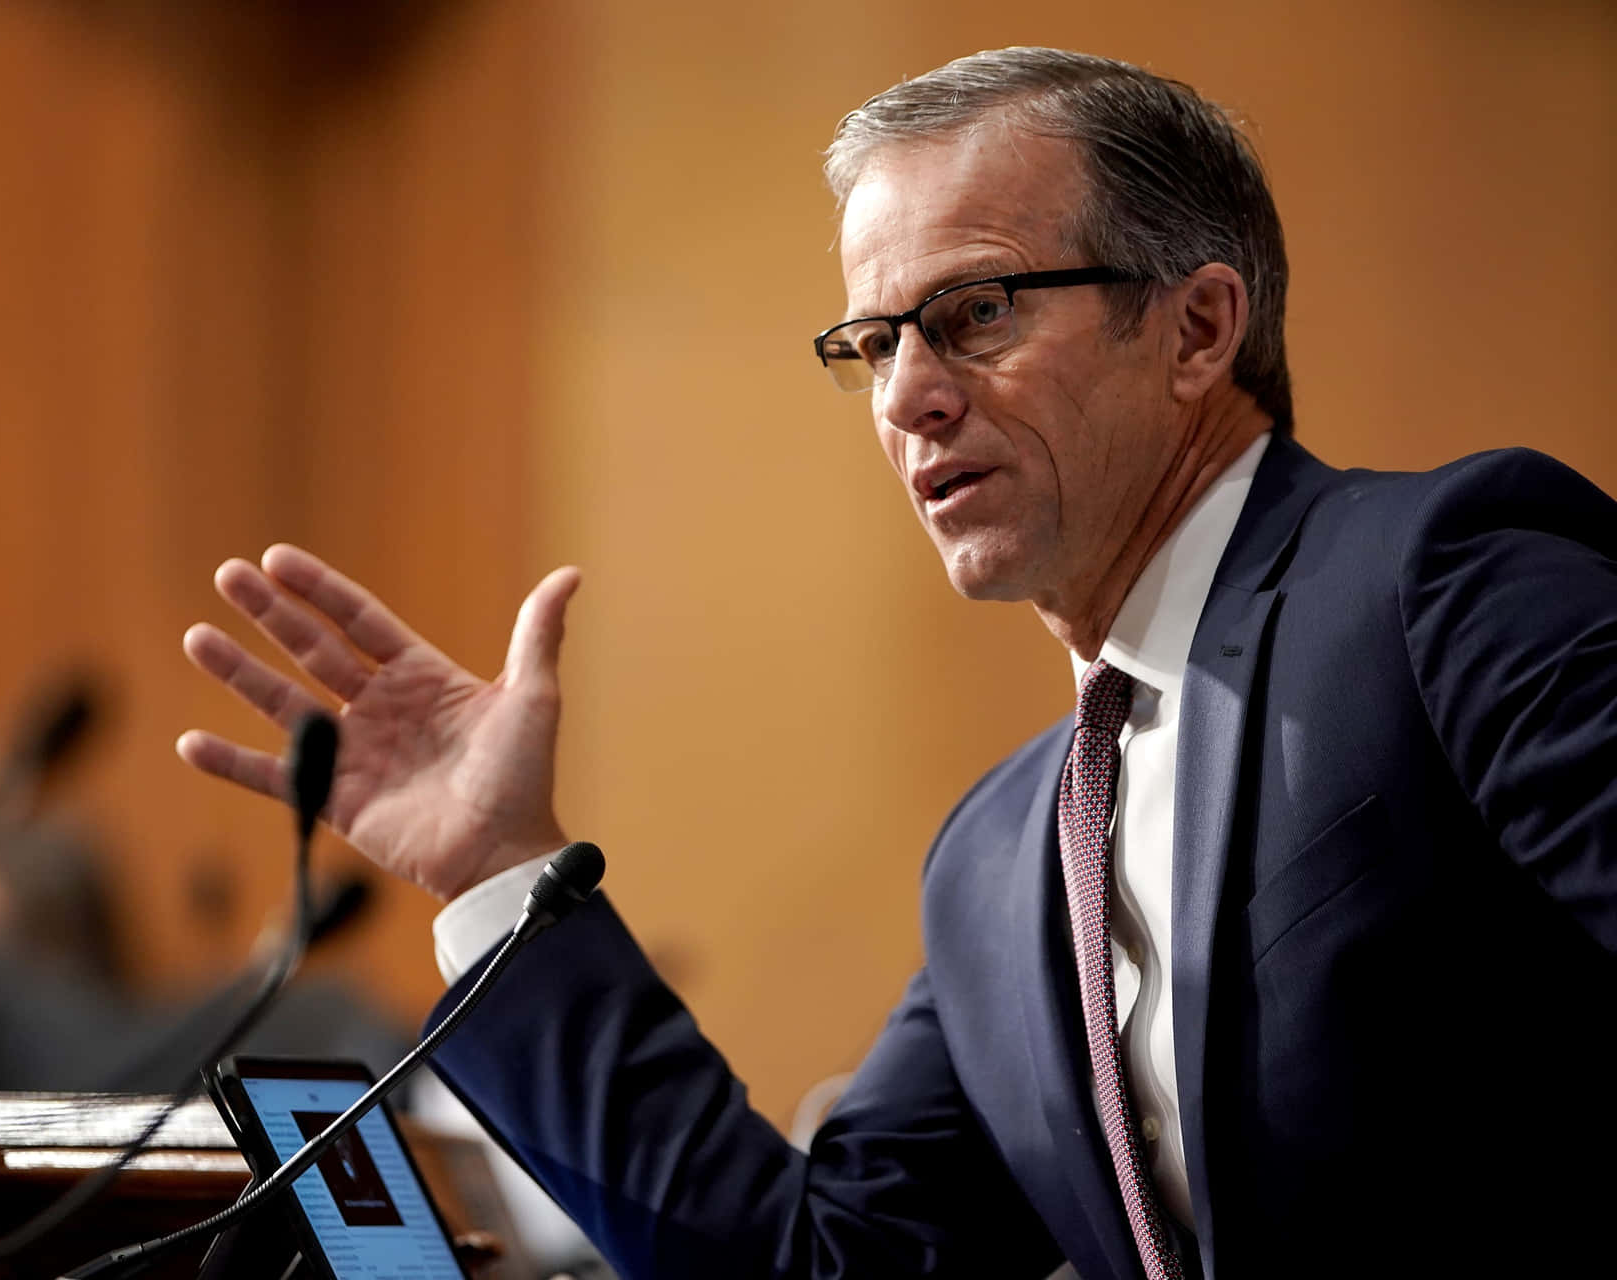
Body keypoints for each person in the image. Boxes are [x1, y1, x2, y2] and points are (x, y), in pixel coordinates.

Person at [176, 48, 1617, 1279]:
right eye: (874, 342)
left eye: (976, 314)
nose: (911, 396)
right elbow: (820, 1263)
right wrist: (498, 866)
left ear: (1198, 328)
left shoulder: (1443, 583)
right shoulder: (1003, 857)